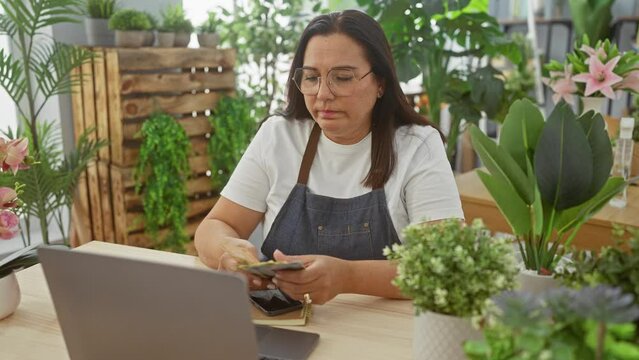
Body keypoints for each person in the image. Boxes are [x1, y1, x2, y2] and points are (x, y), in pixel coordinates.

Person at [194, 10, 463, 305]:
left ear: (381, 83)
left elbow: (444, 265)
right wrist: (228, 251)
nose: (323, 94)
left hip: (385, 333)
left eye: (342, 78)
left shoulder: (417, 146)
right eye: (311, 77)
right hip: (289, 326)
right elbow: (214, 225)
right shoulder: (278, 136)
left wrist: (348, 277)